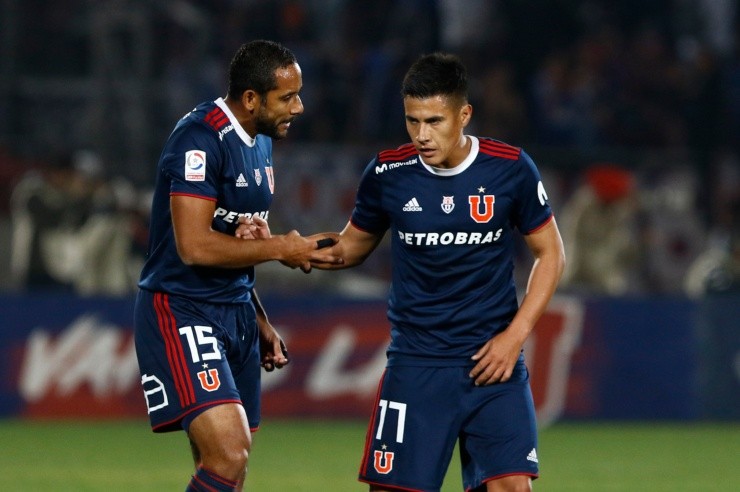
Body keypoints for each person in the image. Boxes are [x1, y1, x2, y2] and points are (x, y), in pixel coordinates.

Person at [310, 53, 565, 491]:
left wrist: (515, 336)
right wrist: (285, 248)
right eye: (412, 121)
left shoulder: (510, 168)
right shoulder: (388, 173)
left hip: (492, 363)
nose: (422, 135)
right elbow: (349, 248)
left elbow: (551, 254)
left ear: (463, 115)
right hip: (417, 363)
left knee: (512, 486)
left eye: (434, 121)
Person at [133, 40, 340, 492]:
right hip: (184, 308)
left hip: (236, 311)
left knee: (228, 468)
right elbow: (193, 247)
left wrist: (258, 317)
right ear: (251, 98)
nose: (299, 107)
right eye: (288, 97)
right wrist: (280, 248)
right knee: (229, 453)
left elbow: (235, 239)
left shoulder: (261, 140)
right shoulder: (198, 139)